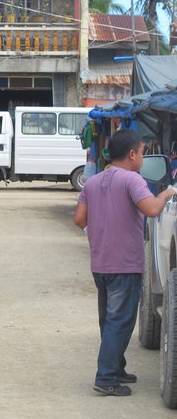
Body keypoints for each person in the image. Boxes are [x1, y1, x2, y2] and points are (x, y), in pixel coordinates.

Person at [73, 129, 175, 396]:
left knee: (109, 319)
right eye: (142, 152)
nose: (142, 157)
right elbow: (152, 209)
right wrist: (166, 194)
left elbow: (79, 220)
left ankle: (117, 367)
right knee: (120, 321)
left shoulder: (93, 182)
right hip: (125, 264)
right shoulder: (132, 179)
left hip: (100, 263)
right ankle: (106, 378)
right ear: (131, 154)